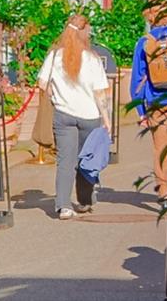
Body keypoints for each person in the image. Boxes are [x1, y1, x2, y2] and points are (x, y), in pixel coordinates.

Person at [38, 14, 109, 220]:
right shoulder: (93, 59)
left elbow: (42, 84)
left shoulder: (54, 56)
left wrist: (56, 93)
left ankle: (63, 206)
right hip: (90, 115)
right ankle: (85, 200)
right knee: (87, 158)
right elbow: (100, 93)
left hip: (63, 114)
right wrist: (106, 119)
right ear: (85, 32)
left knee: (65, 161)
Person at [131, 5, 167, 198]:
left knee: (160, 149)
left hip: (157, 102)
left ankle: (163, 192)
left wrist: (141, 111)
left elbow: (137, 80)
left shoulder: (146, 42)